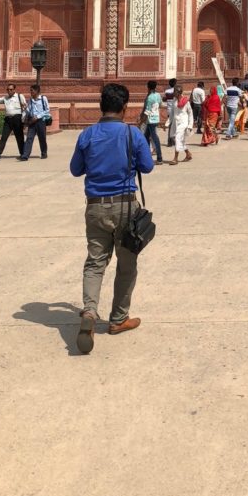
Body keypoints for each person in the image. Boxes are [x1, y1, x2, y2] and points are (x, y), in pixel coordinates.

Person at [70, 82, 155, 354]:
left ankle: (90, 313)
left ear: (100, 105)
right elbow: (148, 167)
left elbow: (75, 170)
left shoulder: (87, 134)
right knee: (126, 265)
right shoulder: (132, 134)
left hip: (95, 206)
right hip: (126, 207)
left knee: (95, 262)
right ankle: (118, 319)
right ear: (125, 107)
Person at [0, 83, 26, 160]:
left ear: (14, 90)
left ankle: (23, 154)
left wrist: (23, 120)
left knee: (19, 138)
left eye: (11, 89)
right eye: (8, 89)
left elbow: (25, 108)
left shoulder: (20, 96)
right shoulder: (5, 98)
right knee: (3, 137)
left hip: (17, 119)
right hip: (8, 120)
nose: (9, 91)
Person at [19, 84, 50, 161]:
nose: (30, 92)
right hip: (32, 121)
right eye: (30, 90)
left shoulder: (43, 98)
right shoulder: (30, 100)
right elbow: (29, 111)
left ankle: (44, 153)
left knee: (42, 138)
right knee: (29, 138)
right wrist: (25, 108)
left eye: (32, 90)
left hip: (40, 121)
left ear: (37, 91)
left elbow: (47, 110)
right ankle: (25, 155)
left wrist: (37, 117)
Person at [168, 85, 193, 163]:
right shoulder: (174, 101)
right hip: (175, 123)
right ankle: (188, 153)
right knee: (176, 139)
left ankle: (175, 158)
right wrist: (167, 123)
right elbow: (172, 113)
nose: (174, 93)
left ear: (179, 93)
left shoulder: (186, 102)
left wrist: (190, 125)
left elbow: (190, 113)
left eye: (175, 91)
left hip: (183, 123)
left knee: (178, 138)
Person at [164, 78, 176, 146]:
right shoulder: (176, 91)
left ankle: (170, 142)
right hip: (175, 110)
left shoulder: (167, 91)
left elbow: (165, 99)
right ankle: (173, 141)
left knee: (170, 126)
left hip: (169, 110)